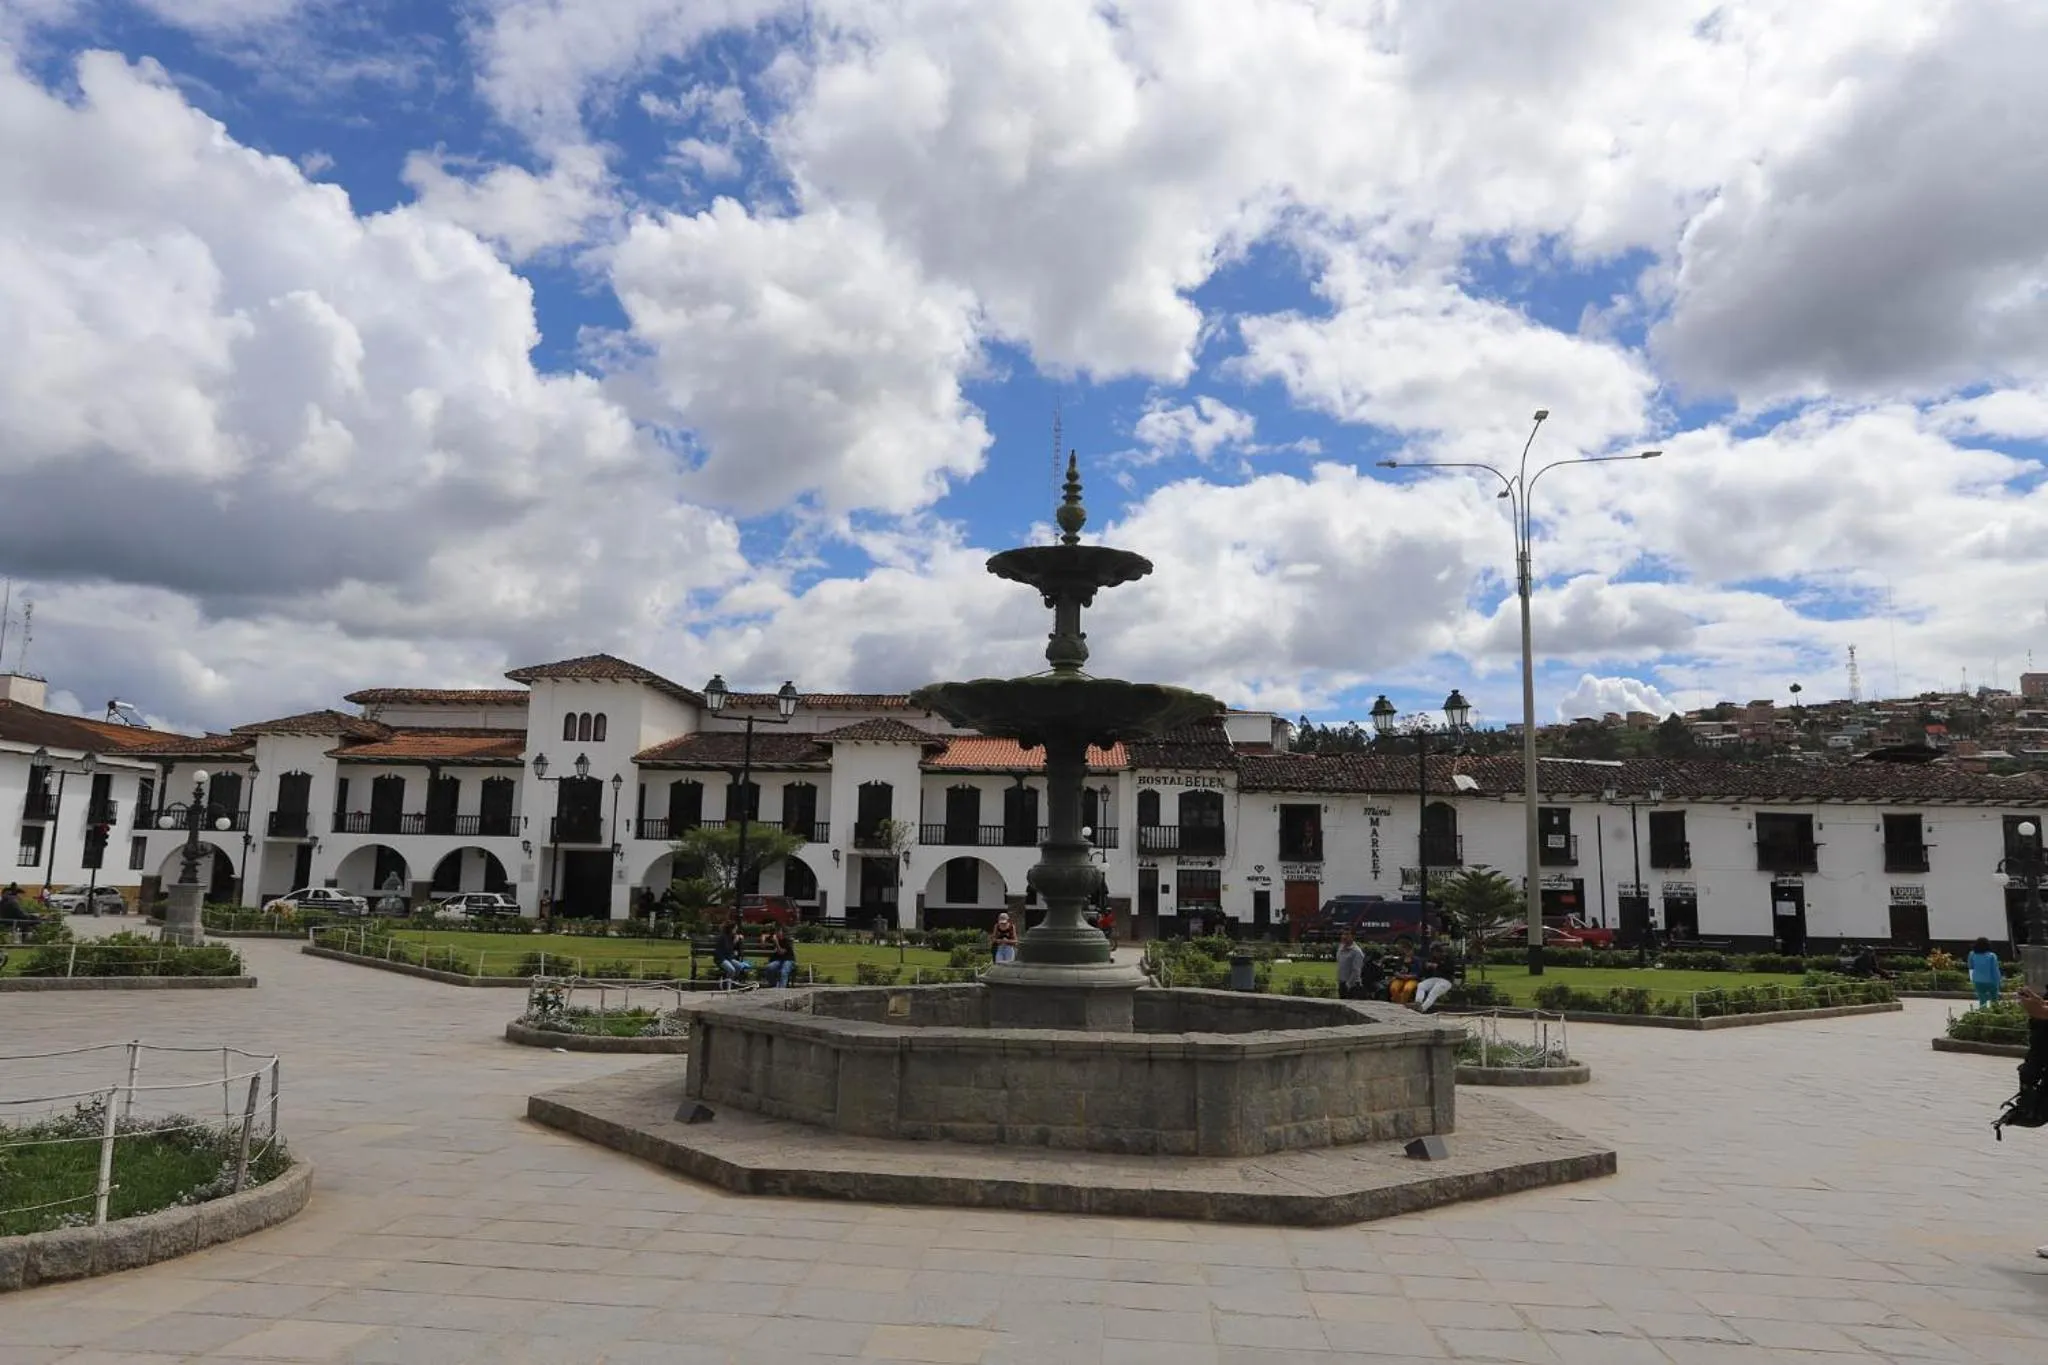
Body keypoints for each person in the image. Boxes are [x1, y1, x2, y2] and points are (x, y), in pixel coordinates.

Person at [713, 918, 752, 984]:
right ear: (731, 929)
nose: (736, 931)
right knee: (732, 970)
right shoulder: (723, 937)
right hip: (721, 959)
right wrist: (734, 942)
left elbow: (736, 949)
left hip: (728, 958)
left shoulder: (732, 936)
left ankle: (731, 981)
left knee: (739, 967)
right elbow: (727, 949)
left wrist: (740, 939)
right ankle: (727, 985)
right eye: (735, 929)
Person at [1970, 938, 2004, 1009]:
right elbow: (1995, 969)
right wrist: (1999, 980)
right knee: (1994, 999)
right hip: (1991, 980)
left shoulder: (1972, 954)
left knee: (1982, 1000)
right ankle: (1995, 1013)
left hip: (1978, 980)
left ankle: (1983, 1014)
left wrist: (1972, 979)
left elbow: (1971, 966)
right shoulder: (1992, 956)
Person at [1336, 929, 1365, 1000]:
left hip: (1352, 986)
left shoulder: (1357, 952)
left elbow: (1356, 970)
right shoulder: (1340, 948)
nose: (1344, 936)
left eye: (1347, 934)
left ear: (1353, 937)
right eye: (1343, 934)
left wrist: (1348, 985)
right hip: (1342, 983)